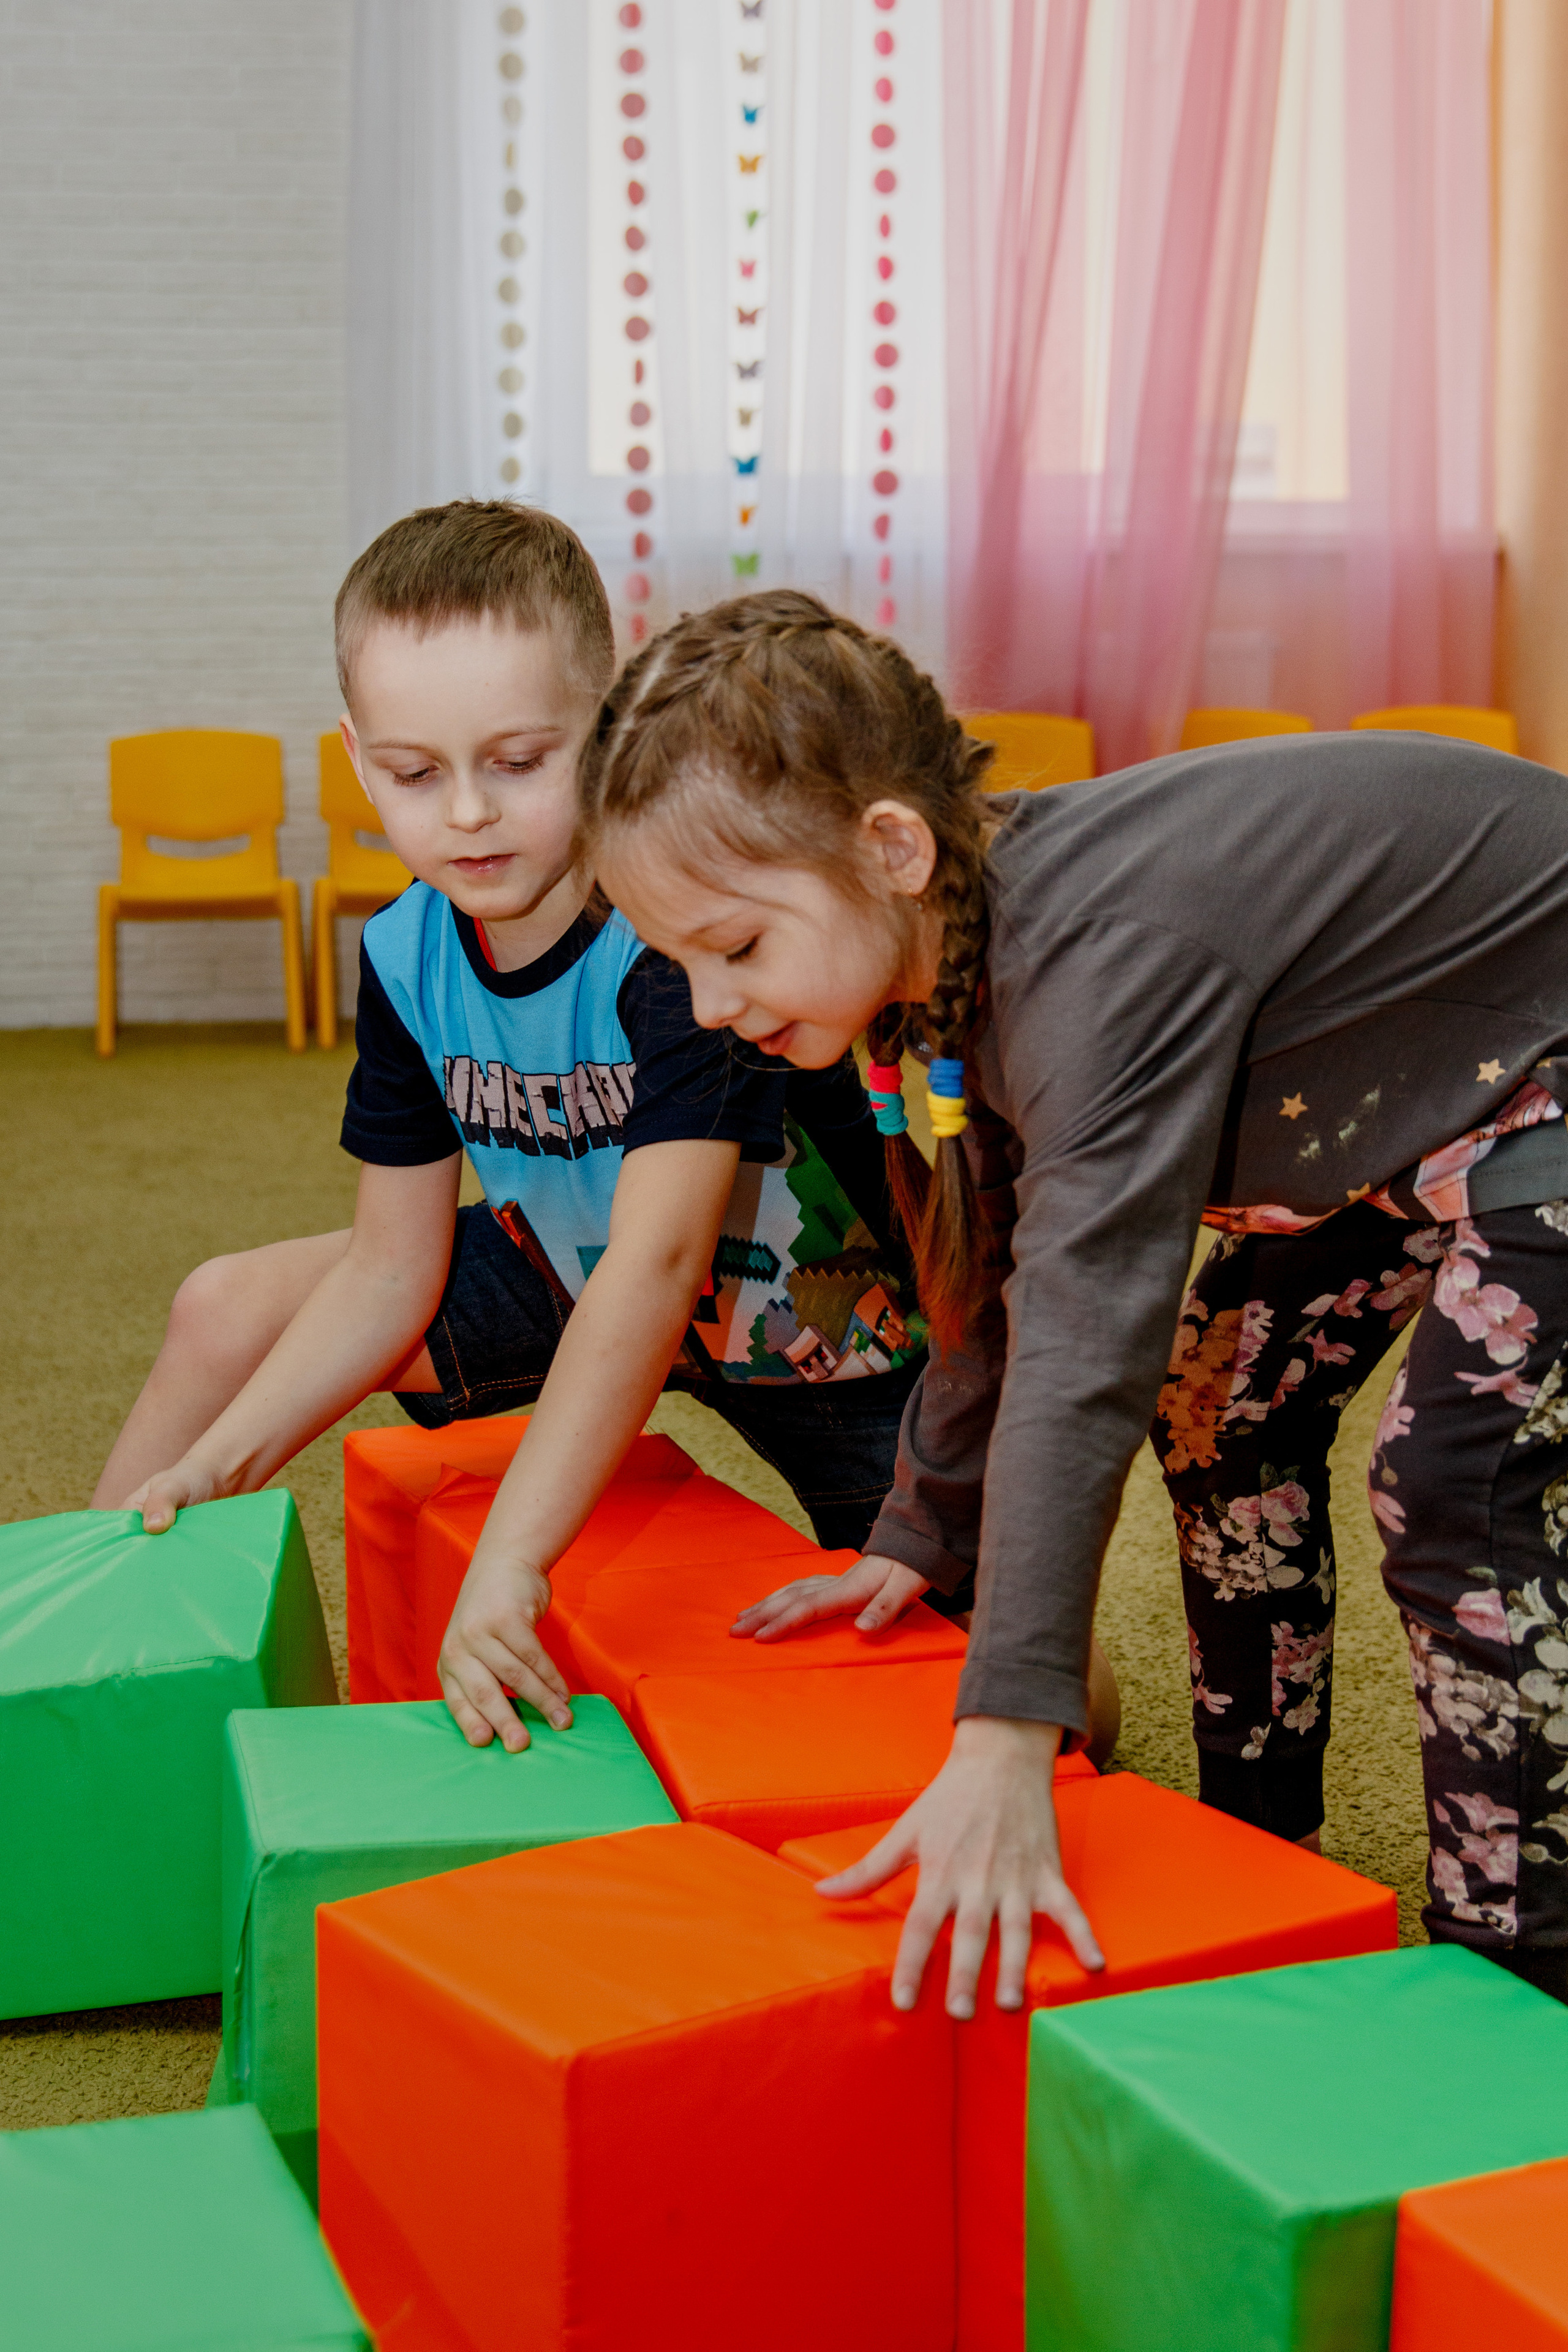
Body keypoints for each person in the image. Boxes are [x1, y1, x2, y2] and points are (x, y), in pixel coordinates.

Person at [576, 585, 1568, 2021]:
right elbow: (984, 1278)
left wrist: (1006, 1716)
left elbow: (1083, 1338)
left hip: (1542, 1057)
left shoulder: (1092, 966)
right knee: (1223, 1415)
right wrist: (918, 1528)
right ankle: (1252, 1852)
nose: (711, 1002)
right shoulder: (933, 965)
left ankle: (1514, 1974)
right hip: (1403, 1103)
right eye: (679, 965)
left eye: (734, 946)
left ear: (891, 848)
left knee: (1449, 1484)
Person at [93, 503, 949, 1752]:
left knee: (1011, 1682)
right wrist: (217, 1470)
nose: (468, 817)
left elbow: (657, 1269)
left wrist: (511, 1564)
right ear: (356, 758)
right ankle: (82, 1653)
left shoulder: (673, 928)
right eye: (413, 774)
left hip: (818, 1331)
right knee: (225, 1306)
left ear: (604, 734)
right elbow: (391, 1267)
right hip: (569, 1274)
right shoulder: (404, 952)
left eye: (516, 761)